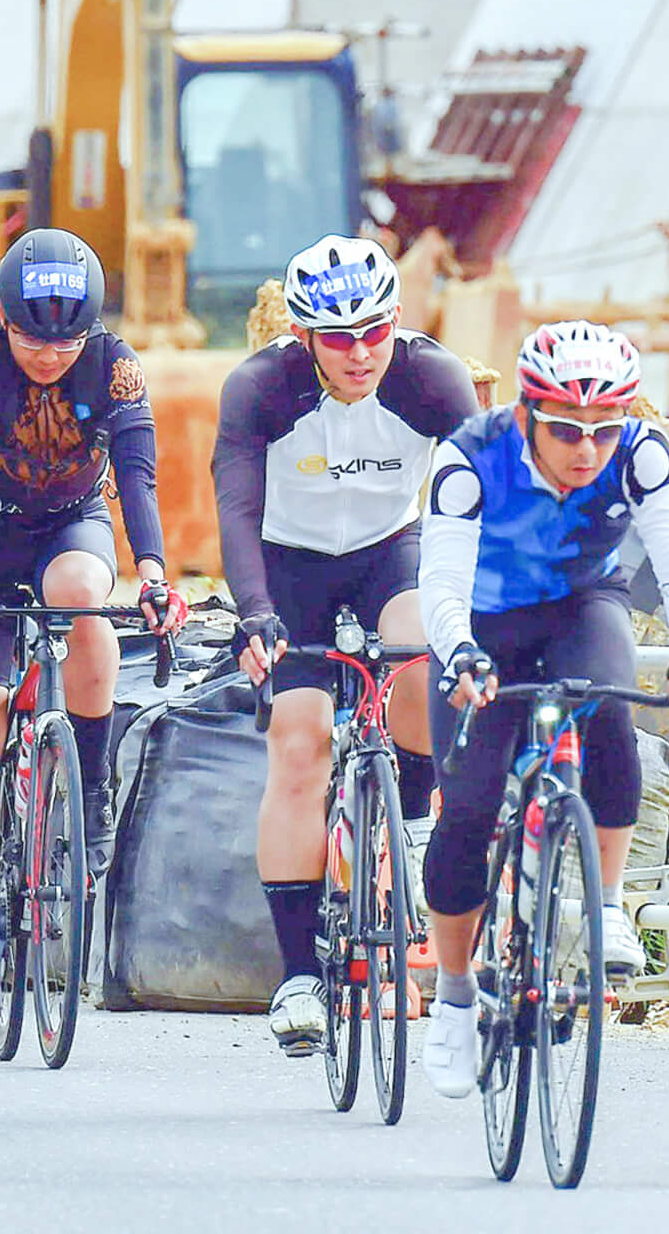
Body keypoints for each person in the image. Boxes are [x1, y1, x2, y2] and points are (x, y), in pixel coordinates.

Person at [415, 319, 669, 1100]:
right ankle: (452, 997)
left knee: (613, 712)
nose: (587, 449)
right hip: (483, 627)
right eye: (565, 430)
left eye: (602, 430)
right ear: (526, 417)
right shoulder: (469, 459)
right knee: (469, 810)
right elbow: (440, 585)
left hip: (581, 605)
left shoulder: (644, 454)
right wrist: (460, 654)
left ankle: (609, 906)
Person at [216, 235, 476, 1056]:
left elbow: (488, 493)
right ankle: (299, 975)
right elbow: (236, 509)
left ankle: (414, 816)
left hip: (390, 549)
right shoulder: (260, 388)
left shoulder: (433, 378)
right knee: (300, 745)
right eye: (337, 337)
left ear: (397, 320)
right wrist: (254, 612)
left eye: (374, 331)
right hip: (290, 565)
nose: (360, 352)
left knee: (418, 651)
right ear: (303, 338)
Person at [0, 228, 184, 1014]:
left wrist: (155, 571)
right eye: (32, 339)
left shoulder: (116, 364)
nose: (48, 356)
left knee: (82, 593)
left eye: (66, 342)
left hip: (71, 520)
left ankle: (93, 779)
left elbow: (135, 474)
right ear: (3, 319)